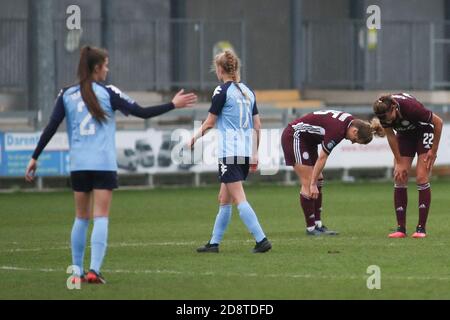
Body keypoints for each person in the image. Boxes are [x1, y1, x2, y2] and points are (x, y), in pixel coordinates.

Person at [25, 45, 197, 284]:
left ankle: (76, 271)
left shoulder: (66, 94)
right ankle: (94, 270)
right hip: (103, 164)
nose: (108, 69)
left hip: (78, 165)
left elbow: (51, 126)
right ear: (97, 68)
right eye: (105, 65)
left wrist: (35, 157)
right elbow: (142, 113)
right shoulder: (109, 93)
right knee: (101, 217)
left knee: (81, 218)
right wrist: (172, 104)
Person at [190, 50, 271, 254]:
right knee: (223, 199)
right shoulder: (247, 91)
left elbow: (210, 122)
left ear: (219, 69)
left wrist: (194, 137)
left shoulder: (221, 91)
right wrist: (254, 153)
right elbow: (257, 125)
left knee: (239, 199)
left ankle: (261, 240)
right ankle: (214, 244)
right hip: (244, 152)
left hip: (229, 153)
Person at [281, 110, 385, 235]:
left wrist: (315, 182)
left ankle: (318, 224)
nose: (352, 142)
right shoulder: (338, 130)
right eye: (355, 140)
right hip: (294, 136)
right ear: (355, 131)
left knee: (318, 179)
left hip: (308, 140)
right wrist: (313, 184)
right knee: (309, 182)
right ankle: (311, 228)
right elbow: (322, 157)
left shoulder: (350, 122)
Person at [373, 93, 443, 238]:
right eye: (382, 119)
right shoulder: (383, 113)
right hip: (405, 135)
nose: (385, 121)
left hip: (423, 131)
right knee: (399, 176)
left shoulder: (411, 108)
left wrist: (433, 151)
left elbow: (438, 122)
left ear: (394, 107)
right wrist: (398, 162)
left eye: (387, 117)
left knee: (421, 177)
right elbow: (391, 136)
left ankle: (421, 229)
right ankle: (401, 228)